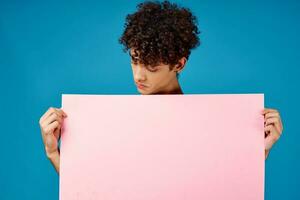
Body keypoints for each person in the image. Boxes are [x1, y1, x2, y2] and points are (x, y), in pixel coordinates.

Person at [39, 1, 283, 174]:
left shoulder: (211, 126)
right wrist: (53, 154)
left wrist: (257, 151)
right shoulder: (114, 125)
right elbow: (96, 191)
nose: (138, 75)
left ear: (179, 63)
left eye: (152, 67)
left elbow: (224, 187)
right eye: (134, 60)